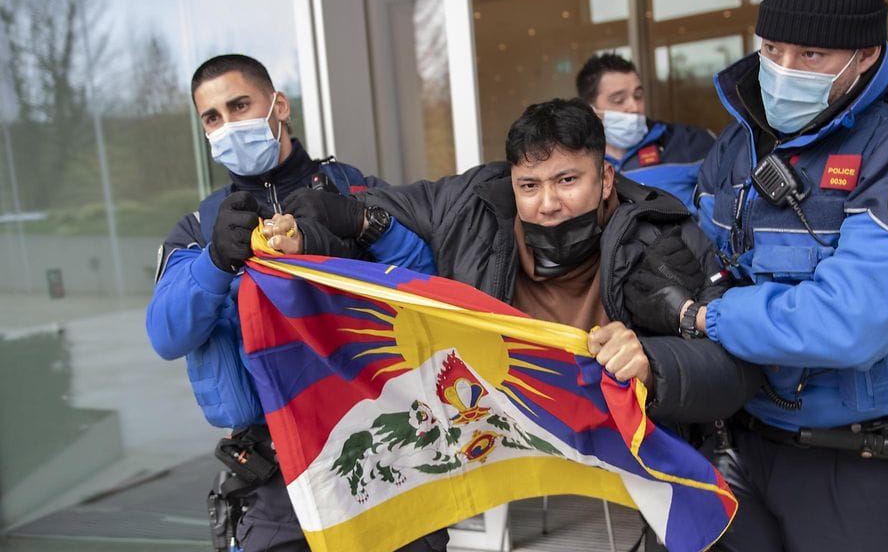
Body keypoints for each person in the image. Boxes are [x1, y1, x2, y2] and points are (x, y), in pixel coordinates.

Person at [622, 0, 888, 550]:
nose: (783, 70)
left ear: (866, 54)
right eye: (771, 49)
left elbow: (849, 322)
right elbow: (699, 249)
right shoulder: (739, 143)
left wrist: (702, 317)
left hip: (854, 458)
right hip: (738, 437)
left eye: (811, 54)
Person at [275, 97, 762, 430]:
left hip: (630, 461)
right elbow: (372, 216)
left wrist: (654, 365)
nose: (547, 203)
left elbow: (738, 369)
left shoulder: (663, 234)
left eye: (568, 180)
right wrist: (308, 234)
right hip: (504, 443)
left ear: (607, 179)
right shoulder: (471, 203)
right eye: (529, 185)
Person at [145, 54, 443, 552]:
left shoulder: (356, 190)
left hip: (387, 445)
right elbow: (165, 335)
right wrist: (214, 262)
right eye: (212, 117)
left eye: (240, 105)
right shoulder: (202, 226)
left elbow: (430, 287)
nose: (228, 125)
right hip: (278, 474)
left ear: (279, 106)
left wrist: (363, 223)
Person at [575, 53, 715, 211]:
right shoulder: (577, 158)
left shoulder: (688, 141)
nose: (634, 107)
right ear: (591, 109)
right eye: (618, 100)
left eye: (638, 96)